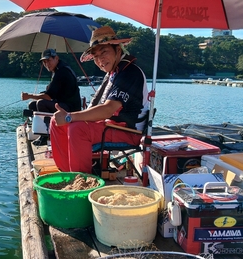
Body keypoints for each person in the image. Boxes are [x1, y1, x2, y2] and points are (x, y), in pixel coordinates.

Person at [49, 26, 150, 173]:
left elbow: (108, 109)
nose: (100, 59)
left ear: (118, 50)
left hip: (128, 131)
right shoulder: (112, 73)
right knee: (55, 121)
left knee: (77, 128)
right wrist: (70, 117)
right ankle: (67, 173)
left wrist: (70, 117)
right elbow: (96, 107)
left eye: (104, 52)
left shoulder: (129, 73)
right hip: (110, 126)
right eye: (95, 56)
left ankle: (82, 182)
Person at [21, 49, 81, 114]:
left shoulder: (62, 72)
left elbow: (48, 97)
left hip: (71, 108)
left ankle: (49, 123)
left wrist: (29, 96)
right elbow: (53, 92)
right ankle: (42, 122)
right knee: (32, 105)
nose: (47, 64)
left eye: (49, 60)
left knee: (41, 103)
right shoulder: (58, 69)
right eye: (44, 62)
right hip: (62, 103)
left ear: (56, 58)